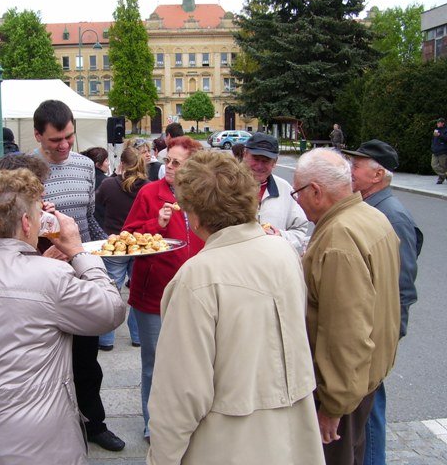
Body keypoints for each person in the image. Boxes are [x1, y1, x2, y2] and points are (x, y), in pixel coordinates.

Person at [0, 168, 126, 464]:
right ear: (27, 222)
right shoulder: (52, 275)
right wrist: (80, 253)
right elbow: (111, 310)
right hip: (39, 440)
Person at [146, 151, 324, 465]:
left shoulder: (198, 276)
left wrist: (161, 459)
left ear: (196, 215)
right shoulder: (283, 251)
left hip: (229, 444)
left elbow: (180, 395)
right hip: (292, 437)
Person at [293, 148, 400, 465]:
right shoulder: (370, 216)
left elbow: (346, 333)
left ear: (315, 191)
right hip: (364, 379)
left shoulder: (339, 237)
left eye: (297, 192)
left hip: (345, 390)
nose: (296, 201)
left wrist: (333, 407)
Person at [33, 99, 124, 452]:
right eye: (56, 140)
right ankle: (53, 430)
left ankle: (94, 423)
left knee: (87, 359)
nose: (65, 145)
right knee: (47, 361)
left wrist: (108, 241)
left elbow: (88, 220)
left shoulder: (86, 166)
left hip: (81, 275)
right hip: (42, 278)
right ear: (39, 135)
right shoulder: (25, 170)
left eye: (69, 136)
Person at [342, 140, 423, 465]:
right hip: (369, 329)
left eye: (356, 165)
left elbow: (401, 287)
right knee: (364, 406)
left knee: (369, 408)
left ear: (377, 174)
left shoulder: (391, 215)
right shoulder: (371, 207)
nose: (350, 170)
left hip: (375, 333)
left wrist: (386, 338)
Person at [122, 135, 205, 442]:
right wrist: (155, 223)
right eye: (167, 160)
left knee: (194, 362)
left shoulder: (203, 197)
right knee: (153, 364)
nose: (168, 167)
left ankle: (188, 421)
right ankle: (152, 423)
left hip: (195, 295)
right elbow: (127, 236)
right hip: (153, 294)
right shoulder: (149, 193)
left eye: (176, 163)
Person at [95, 145, 148, 350]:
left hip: (114, 244)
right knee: (139, 292)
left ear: (122, 164)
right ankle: (138, 335)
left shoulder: (108, 185)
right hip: (140, 244)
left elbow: (96, 210)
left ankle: (106, 339)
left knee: (111, 291)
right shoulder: (148, 187)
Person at [242, 132, 309, 253]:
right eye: (256, 159)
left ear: (275, 161)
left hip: (273, 265)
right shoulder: (226, 187)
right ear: (245, 154)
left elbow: (300, 229)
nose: (259, 165)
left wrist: (280, 237)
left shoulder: (285, 189)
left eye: (266, 160)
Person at [80, 146, 110, 226]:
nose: (109, 163)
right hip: (102, 223)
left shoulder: (83, 178)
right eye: (106, 160)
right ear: (97, 164)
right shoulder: (106, 181)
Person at [431, 117, 447, 184]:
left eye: (439, 122)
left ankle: (440, 179)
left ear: (443, 123)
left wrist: (440, 135)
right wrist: (432, 147)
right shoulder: (436, 130)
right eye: (437, 122)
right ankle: (444, 175)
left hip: (443, 151)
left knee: (443, 166)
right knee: (433, 165)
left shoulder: (446, 130)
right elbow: (434, 140)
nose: (437, 123)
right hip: (435, 151)